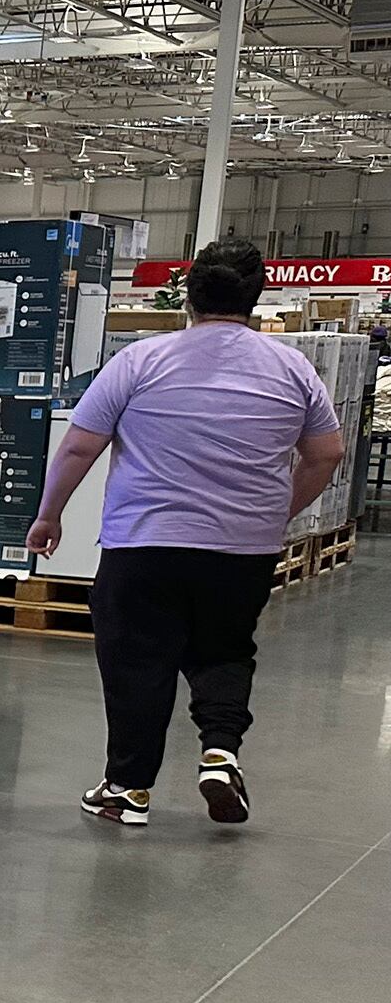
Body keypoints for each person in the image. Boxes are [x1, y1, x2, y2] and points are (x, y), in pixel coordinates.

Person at [26, 238, 344, 828]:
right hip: (242, 549)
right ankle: (220, 752)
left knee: (137, 661)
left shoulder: (141, 361)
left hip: (145, 541)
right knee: (224, 650)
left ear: (188, 295)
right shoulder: (292, 367)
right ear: (255, 296)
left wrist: (49, 516)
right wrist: (278, 514)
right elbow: (326, 453)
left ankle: (127, 789)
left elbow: (79, 445)